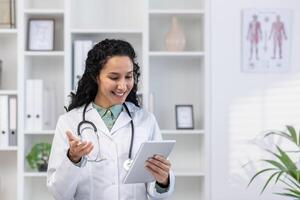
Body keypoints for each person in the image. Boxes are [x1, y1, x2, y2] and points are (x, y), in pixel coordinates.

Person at [47, 39, 175, 199]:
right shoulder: (69, 122)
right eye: (114, 77)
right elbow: (59, 193)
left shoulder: (146, 120)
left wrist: (163, 180)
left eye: (128, 76)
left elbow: (157, 192)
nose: (122, 86)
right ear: (96, 76)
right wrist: (73, 159)